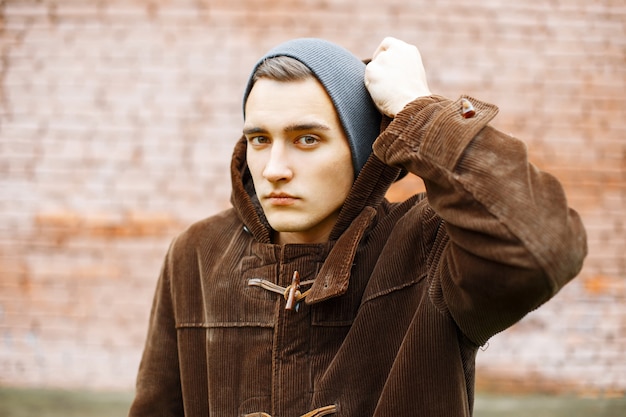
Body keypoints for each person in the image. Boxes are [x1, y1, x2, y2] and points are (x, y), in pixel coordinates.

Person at [128, 37, 587, 417]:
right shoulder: (198, 254)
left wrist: (420, 111)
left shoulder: (428, 244)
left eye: (307, 139)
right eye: (260, 140)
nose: (274, 169)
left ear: (361, 151)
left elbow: (544, 246)